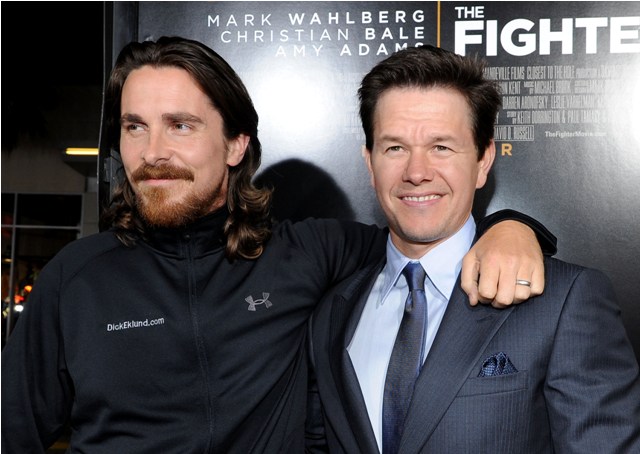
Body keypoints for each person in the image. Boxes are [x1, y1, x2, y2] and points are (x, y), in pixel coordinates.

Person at [1, 37, 555, 454]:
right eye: (134, 127)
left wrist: (512, 226)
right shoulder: (76, 278)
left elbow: (422, 229)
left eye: (181, 126)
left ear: (236, 144)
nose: (153, 152)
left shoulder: (306, 254)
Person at [306, 45, 640, 453]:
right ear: (369, 162)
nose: (416, 172)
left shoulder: (563, 302)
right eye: (395, 148)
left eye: (441, 147)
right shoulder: (332, 313)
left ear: (483, 161)